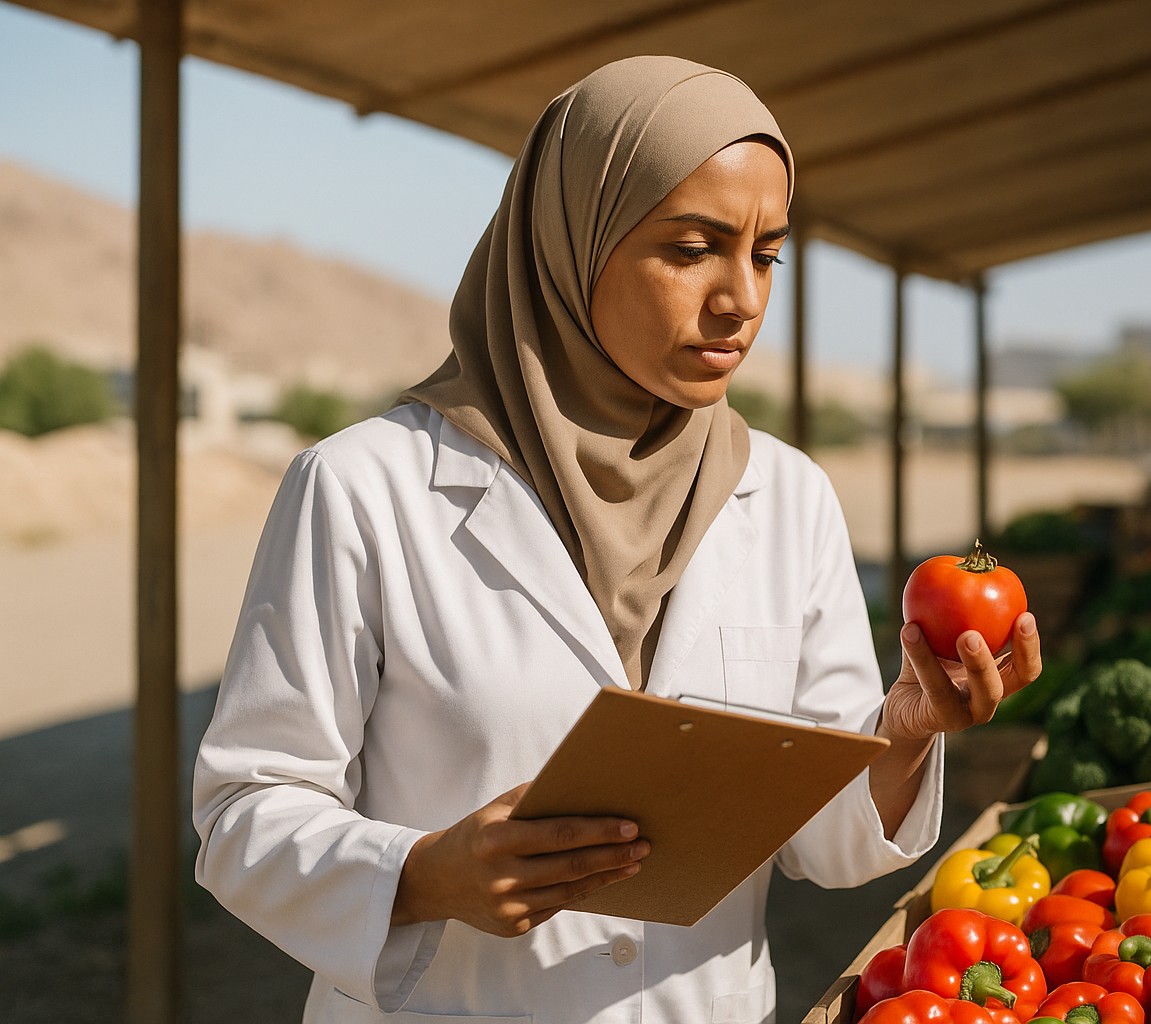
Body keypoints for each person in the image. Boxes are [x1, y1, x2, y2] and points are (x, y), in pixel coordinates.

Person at [193, 55, 1042, 1024]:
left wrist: (900, 737)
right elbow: (241, 815)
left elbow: (827, 847)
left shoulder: (787, 495)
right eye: (692, 249)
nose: (742, 300)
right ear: (572, 243)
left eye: (765, 254)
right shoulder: (361, 488)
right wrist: (424, 874)